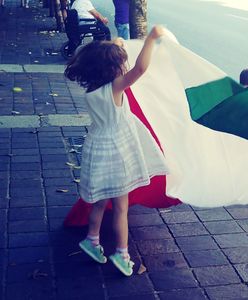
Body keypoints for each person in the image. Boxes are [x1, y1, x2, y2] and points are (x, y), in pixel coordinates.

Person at [64, 25, 168, 276]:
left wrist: (117, 44)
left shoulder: (92, 92)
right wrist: (151, 39)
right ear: (113, 69)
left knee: (100, 203)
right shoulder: (116, 88)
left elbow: (112, 58)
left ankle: (92, 240)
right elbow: (140, 69)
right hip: (117, 153)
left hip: (98, 150)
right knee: (121, 208)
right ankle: (122, 254)